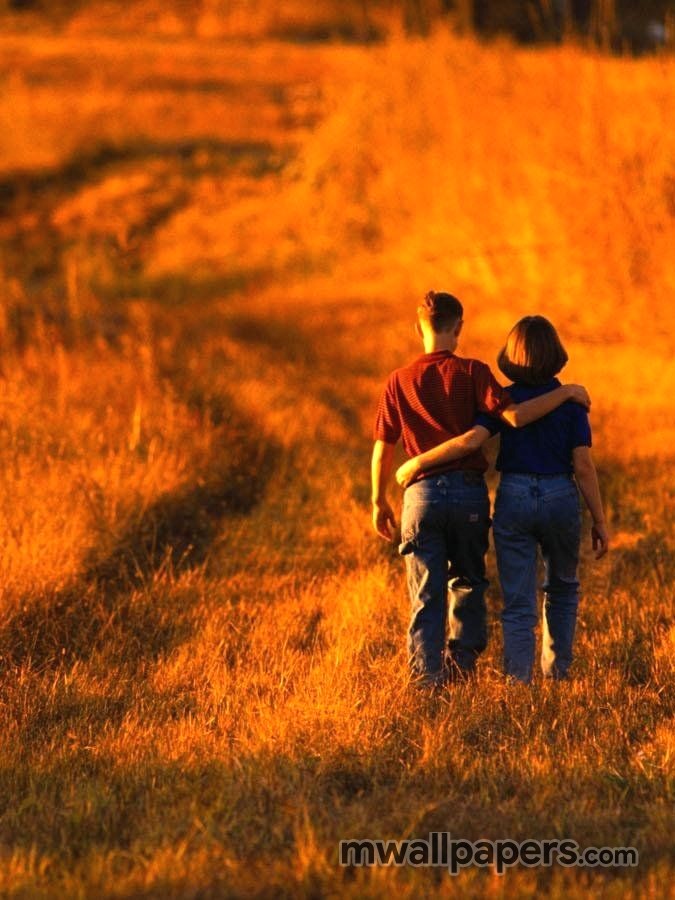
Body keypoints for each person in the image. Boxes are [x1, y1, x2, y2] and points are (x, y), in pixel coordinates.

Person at [371, 294, 591, 689]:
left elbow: (382, 447)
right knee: (469, 581)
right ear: (459, 328)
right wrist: (568, 391)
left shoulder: (397, 381)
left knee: (426, 592)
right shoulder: (474, 373)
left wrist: (379, 498)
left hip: (421, 497)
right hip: (472, 495)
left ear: (416, 328)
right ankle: (463, 667)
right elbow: (514, 419)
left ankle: (428, 681)